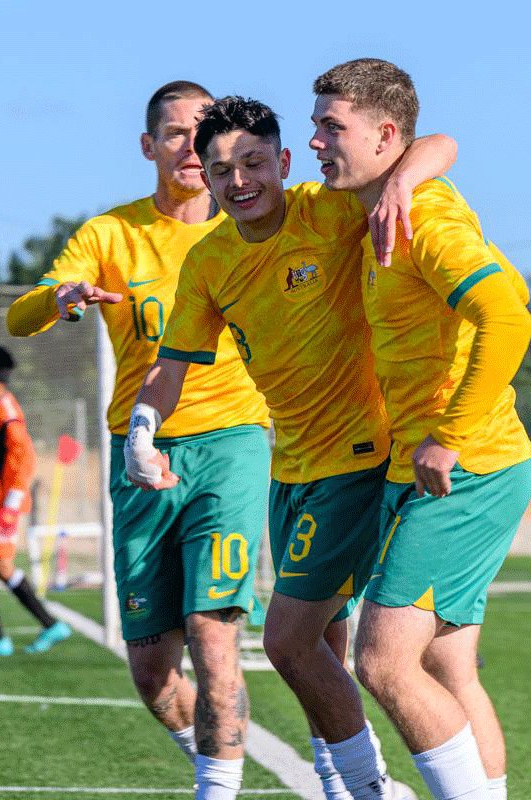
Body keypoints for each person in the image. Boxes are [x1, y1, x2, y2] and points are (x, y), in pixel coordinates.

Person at [124, 96, 456, 800]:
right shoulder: (211, 260)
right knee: (323, 647)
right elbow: (173, 364)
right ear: (205, 180)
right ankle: (345, 783)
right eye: (221, 170)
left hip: (360, 462)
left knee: (288, 643)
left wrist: (399, 182)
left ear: (281, 162)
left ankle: (372, 789)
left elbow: (439, 146)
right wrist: (141, 429)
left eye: (253, 163)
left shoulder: (328, 210)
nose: (239, 181)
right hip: (292, 468)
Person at [7, 81, 273, 799]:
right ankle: (214, 761)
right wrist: (60, 298)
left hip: (230, 442)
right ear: (148, 145)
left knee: (214, 632)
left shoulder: (250, 226)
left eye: (205, 131)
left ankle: (219, 788)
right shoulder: (111, 235)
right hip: (139, 453)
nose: (193, 146)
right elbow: (25, 315)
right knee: (152, 670)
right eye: (177, 133)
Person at [310, 58, 531, 800]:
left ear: (381, 136)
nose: (315, 141)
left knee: (383, 663)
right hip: (434, 468)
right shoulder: (375, 197)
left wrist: (451, 434)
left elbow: (508, 318)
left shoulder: (426, 219)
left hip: (465, 468)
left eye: (329, 126)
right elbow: (440, 140)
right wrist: (406, 175)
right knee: (445, 669)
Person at [0, 339, 72, 655]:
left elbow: (23, 463)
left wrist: (8, 512)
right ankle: (5, 636)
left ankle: (11, 635)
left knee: (1, 565)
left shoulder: (8, 416)